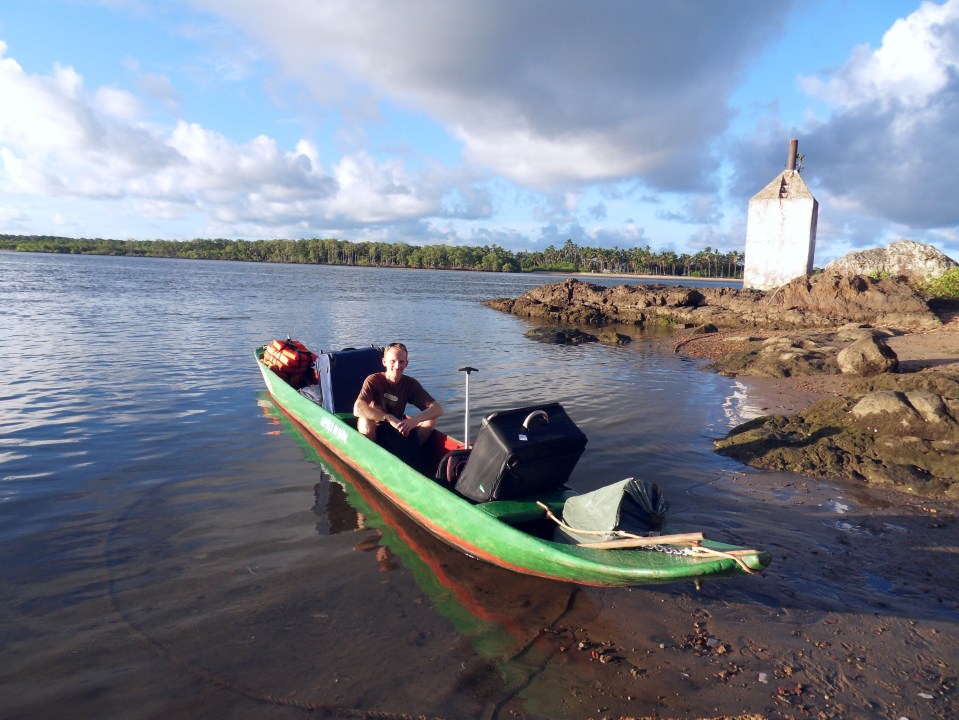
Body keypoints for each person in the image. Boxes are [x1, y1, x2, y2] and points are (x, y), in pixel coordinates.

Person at [353, 342, 444, 447]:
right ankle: (372, 452)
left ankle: (414, 451)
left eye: (401, 362)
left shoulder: (410, 383)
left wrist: (415, 420)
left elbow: (438, 409)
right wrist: (388, 418)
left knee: (431, 419)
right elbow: (358, 409)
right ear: (384, 362)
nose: (397, 366)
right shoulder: (373, 380)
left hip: (398, 428)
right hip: (377, 428)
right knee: (365, 421)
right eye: (393, 361)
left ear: (406, 363)